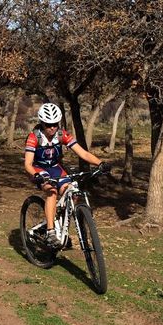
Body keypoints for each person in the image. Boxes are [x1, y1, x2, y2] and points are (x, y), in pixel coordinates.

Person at [24, 102, 108, 249]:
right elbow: (28, 164)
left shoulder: (62, 135)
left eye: (55, 124)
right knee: (52, 191)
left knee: (72, 191)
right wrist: (37, 175)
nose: (52, 128)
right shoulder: (34, 137)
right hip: (38, 168)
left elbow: (83, 153)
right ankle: (50, 232)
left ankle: (61, 226)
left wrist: (100, 163)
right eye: (48, 125)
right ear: (42, 123)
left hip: (55, 168)